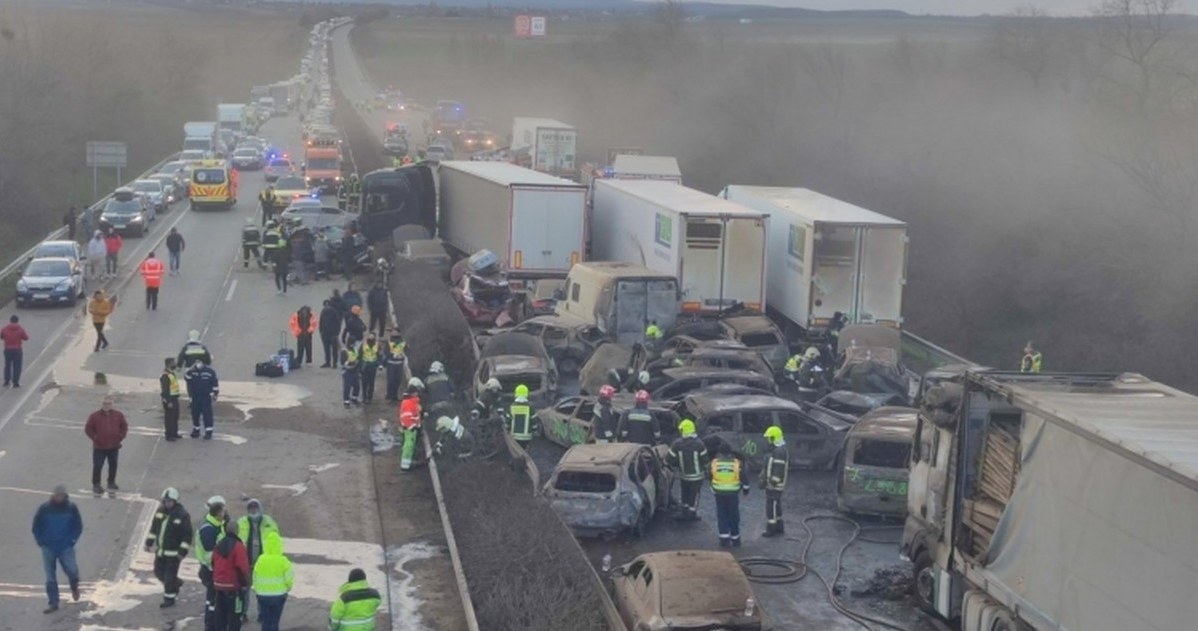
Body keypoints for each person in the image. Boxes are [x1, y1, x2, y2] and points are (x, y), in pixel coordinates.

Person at [32, 484, 82, 614]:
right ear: (53, 496)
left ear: (65, 496)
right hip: (48, 547)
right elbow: (36, 525)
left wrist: (72, 540)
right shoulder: (44, 509)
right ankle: (53, 603)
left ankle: (74, 585)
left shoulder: (71, 508)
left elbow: (78, 525)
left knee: (72, 570)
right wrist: (40, 540)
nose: (58, 498)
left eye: (61, 496)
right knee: (50, 577)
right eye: (56, 495)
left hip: (65, 547)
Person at [144, 487, 191, 608]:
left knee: (169, 577)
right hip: (160, 552)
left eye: (169, 501)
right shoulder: (160, 512)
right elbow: (154, 529)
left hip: (174, 554)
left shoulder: (182, 515)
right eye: (165, 501)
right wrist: (148, 543)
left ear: (175, 501)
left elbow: (187, 535)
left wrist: (182, 551)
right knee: (158, 572)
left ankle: (169, 598)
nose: (167, 503)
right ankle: (176, 583)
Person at [236, 499, 279, 623]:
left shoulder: (269, 523)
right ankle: (242, 614)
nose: (253, 510)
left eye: (255, 508)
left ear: (259, 509)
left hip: (263, 564)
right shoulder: (241, 522)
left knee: (262, 591)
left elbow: (276, 542)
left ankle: (262, 614)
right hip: (245, 564)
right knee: (243, 591)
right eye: (251, 508)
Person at [84, 394, 127, 495]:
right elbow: (88, 428)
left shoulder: (118, 415)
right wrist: (95, 438)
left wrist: (120, 437)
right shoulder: (94, 416)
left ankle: (111, 482)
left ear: (112, 404)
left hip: (114, 446)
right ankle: (96, 484)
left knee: (113, 464)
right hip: (99, 447)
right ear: (101, 404)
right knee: (98, 466)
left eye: (108, 403)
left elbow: (124, 427)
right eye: (104, 403)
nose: (106, 405)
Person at [212, 519, 250, 631]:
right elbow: (242, 568)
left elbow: (213, 562)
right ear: (237, 531)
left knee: (220, 617)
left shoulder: (218, 545)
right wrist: (245, 584)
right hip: (233, 588)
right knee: (235, 617)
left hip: (219, 586)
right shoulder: (238, 546)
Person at [195, 496, 227, 627]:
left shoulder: (216, 525)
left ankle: (213, 623)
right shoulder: (208, 528)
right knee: (212, 600)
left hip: (213, 569)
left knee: (213, 600)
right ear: (217, 513)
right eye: (223, 511)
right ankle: (211, 625)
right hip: (211, 570)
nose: (225, 513)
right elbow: (210, 554)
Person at [710, 441, 749, 548]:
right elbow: (744, 477)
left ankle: (724, 539)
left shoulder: (714, 463)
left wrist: (712, 488)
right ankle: (736, 539)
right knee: (733, 515)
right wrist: (746, 489)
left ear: (720, 452)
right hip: (733, 494)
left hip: (719, 493)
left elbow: (710, 475)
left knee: (722, 515)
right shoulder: (736, 463)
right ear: (730, 452)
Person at [668, 419, 709, 521]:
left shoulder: (677, 444)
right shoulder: (700, 444)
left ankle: (684, 511)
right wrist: (708, 471)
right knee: (694, 495)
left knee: (685, 493)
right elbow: (705, 460)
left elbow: (669, 459)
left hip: (684, 475)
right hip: (697, 476)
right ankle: (692, 513)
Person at [251, 531, 293, 631]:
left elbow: (255, 577)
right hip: (279, 595)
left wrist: (257, 590)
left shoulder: (261, 560)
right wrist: (287, 589)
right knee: (274, 621)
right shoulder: (283, 561)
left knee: (265, 621)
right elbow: (289, 580)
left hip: (262, 595)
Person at [760, 425, 790, 537]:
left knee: (771, 505)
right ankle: (779, 526)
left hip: (775, 485)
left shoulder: (778, 452)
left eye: (769, 438)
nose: (767, 440)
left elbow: (778, 470)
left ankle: (771, 528)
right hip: (776, 484)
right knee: (776, 505)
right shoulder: (780, 450)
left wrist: (771, 483)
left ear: (773, 438)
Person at [185, 359, 219, 439]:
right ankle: (196, 430)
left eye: (199, 362)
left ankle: (208, 432)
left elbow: (215, 383)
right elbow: (187, 378)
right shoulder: (192, 371)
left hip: (206, 397)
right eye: (196, 362)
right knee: (195, 414)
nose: (197, 364)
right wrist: (190, 369)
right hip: (195, 396)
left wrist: (215, 394)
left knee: (207, 415)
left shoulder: (210, 372)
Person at [398, 379, 423, 472]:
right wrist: (412, 427)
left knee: (409, 446)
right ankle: (405, 467)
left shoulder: (411, 402)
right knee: (408, 447)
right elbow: (406, 417)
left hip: (411, 428)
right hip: (410, 429)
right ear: (413, 393)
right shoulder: (409, 403)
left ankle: (407, 464)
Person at [2, 314, 28, 388]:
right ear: (17, 321)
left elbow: (1, 336)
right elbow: (26, 338)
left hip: (7, 349)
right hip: (17, 350)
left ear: (10, 321)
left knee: (7, 365)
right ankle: (15, 382)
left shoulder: (5, 328)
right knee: (17, 366)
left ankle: (7, 381)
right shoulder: (20, 329)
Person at [508, 384, 536, 450]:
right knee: (525, 451)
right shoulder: (530, 408)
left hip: (514, 436)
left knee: (517, 451)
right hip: (527, 437)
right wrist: (534, 431)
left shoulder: (512, 407)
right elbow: (534, 422)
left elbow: (508, 421)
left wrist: (507, 429)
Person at [160, 358, 182, 441]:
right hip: (170, 400)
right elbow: (165, 390)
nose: (175, 364)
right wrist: (168, 401)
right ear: (169, 364)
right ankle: (169, 435)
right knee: (170, 418)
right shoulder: (165, 375)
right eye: (174, 362)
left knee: (175, 416)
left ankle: (174, 433)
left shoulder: (171, 373)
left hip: (174, 398)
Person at [383, 330, 407, 403]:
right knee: (391, 380)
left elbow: (407, 350)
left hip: (399, 363)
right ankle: (389, 396)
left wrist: (403, 356)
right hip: (391, 363)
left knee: (397, 380)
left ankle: (395, 395)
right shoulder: (389, 341)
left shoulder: (403, 342)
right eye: (393, 332)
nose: (394, 333)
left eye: (396, 332)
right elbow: (386, 352)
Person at [319, 300, 342, 368]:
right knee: (326, 349)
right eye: (325, 305)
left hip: (333, 334)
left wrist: (337, 333)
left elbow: (338, 323)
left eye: (327, 305)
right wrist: (321, 331)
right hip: (325, 334)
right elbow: (321, 322)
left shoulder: (334, 312)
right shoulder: (323, 312)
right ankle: (328, 362)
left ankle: (334, 363)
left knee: (334, 349)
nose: (327, 306)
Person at [359, 335, 381, 404]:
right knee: (364, 383)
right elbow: (359, 356)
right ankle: (364, 397)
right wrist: (360, 366)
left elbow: (379, 355)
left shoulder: (377, 345)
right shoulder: (363, 345)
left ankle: (369, 397)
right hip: (365, 366)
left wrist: (379, 364)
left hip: (372, 366)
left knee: (371, 383)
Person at [341, 341, 361, 408]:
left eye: (353, 343)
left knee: (357, 386)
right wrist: (349, 363)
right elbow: (343, 362)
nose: (352, 345)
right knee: (347, 387)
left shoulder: (355, 350)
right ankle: (346, 401)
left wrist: (357, 364)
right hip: (347, 371)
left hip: (355, 370)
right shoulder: (344, 351)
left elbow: (358, 358)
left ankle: (354, 398)